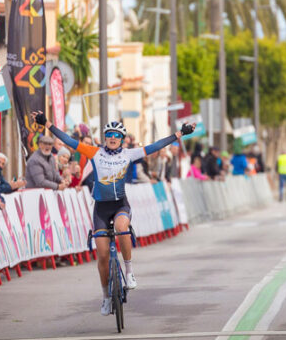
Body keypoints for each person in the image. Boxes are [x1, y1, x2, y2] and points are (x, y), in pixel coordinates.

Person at [36, 111, 194, 316]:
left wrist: (179, 134)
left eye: (117, 135)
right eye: (109, 134)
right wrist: (47, 123)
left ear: (122, 139)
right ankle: (105, 297)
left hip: (120, 205)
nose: (112, 138)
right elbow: (68, 140)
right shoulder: (94, 152)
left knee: (122, 229)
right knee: (102, 257)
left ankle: (129, 271)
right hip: (101, 208)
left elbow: (155, 146)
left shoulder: (129, 154)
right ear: (104, 138)